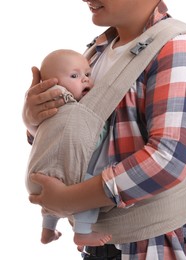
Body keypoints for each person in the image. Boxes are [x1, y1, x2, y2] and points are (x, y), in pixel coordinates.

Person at [22, 0, 186, 259]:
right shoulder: (98, 51)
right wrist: (32, 123)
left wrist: (69, 200)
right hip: (99, 246)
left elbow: (168, 158)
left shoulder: (179, 49)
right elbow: (84, 136)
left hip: (153, 245)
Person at [25, 49, 111, 250]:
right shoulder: (72, 109)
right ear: (53, 84)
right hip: (63, 179)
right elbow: (90, 139)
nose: (84, 80)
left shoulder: (46, 111)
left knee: (51, 203)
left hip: (36, 179)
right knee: (90, 188)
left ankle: (48, 230)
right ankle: (83, 233)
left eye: (88, 75)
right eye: (74, 76)